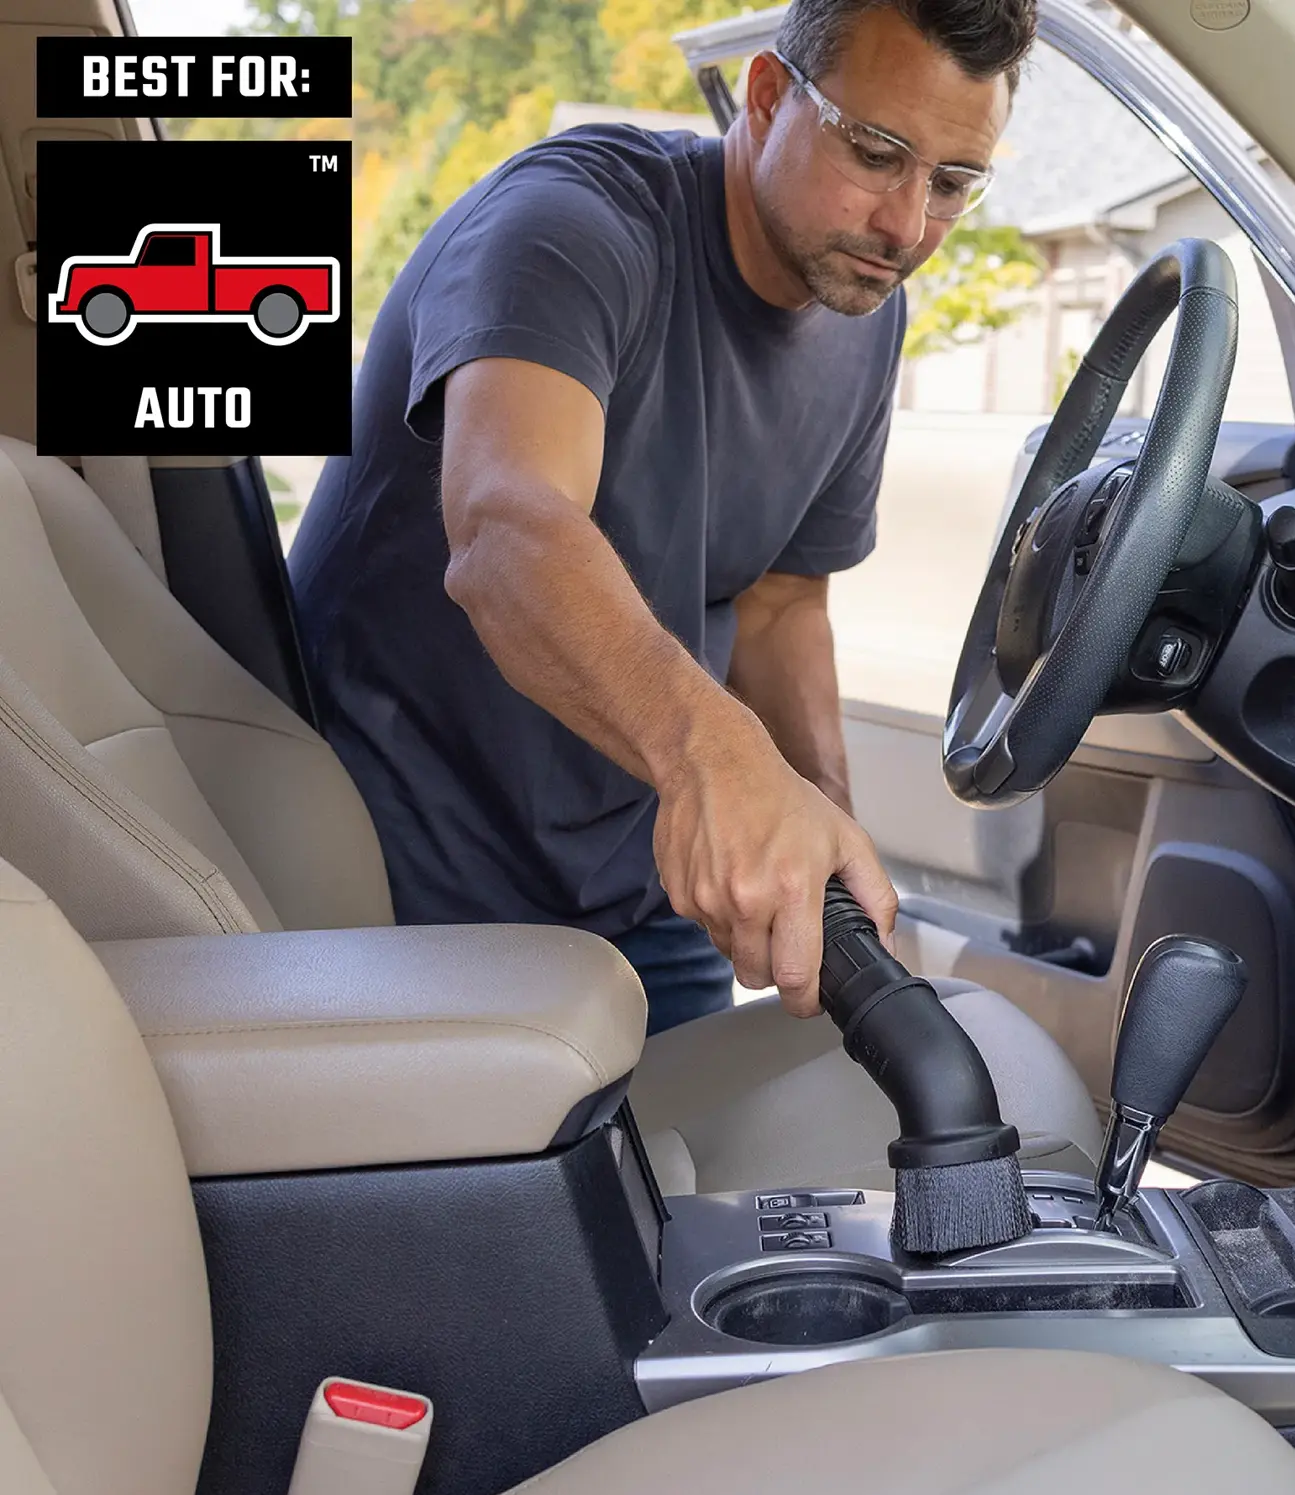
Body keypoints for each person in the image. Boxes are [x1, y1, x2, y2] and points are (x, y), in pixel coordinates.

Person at [289, 0, 1034, 1035]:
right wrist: (713, 756)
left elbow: (777, 606)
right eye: (876, 153)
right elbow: (509, 530)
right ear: (769, 98)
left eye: (952, 185)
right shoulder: (572, 227)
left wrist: (827, 848)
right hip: (405, 881)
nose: (906, 227)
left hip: (640, 891)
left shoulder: (866, 309)